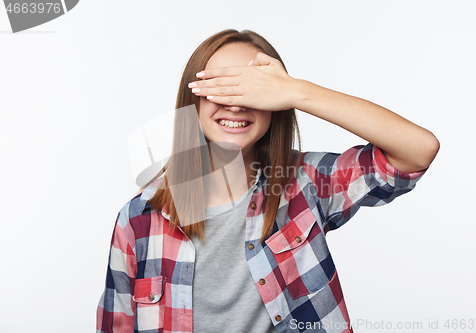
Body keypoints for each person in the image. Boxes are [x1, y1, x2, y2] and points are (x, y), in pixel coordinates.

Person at [96, 29, 439, 333]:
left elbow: (417, 150)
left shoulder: (306, 183)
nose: (236, 104)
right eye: (221, 88)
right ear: (194, 100)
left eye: (252, 90)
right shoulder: (138, 219)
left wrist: (297, 92)